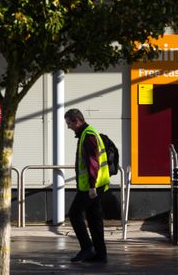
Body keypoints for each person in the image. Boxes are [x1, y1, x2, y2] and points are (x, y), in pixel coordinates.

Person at [64, 108, 109, 263]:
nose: (68, 126)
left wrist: (91, 186)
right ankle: (101, 254)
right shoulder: (89, 133)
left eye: (69, 123)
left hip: (91, 186)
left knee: (74, 214)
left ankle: (87, 248)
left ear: (76, 121)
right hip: (99, 183)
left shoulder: (88, 135)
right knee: (94, 218)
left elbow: (93, 162)